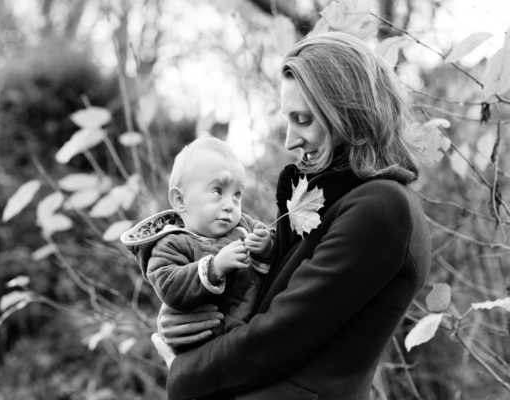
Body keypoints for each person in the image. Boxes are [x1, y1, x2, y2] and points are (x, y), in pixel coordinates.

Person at [151, 31, 431, 400]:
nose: (289, 141)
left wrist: (183, 369)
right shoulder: (331, 199)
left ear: (350, 114)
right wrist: (183, 303)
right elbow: (258, 292)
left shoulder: (383, 207)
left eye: (302, 119)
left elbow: (283, 331)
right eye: (287, 120)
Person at [121, 135, 274, 342]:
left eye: (237, 194)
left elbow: (280, 253)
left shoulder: (245, 226)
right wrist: (215, 267)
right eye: (218, 191)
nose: (230, 204)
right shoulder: (171, 244)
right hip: (214, 346)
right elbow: (169, 284)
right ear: (180, 200)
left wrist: (266, 247)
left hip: (259, 331)